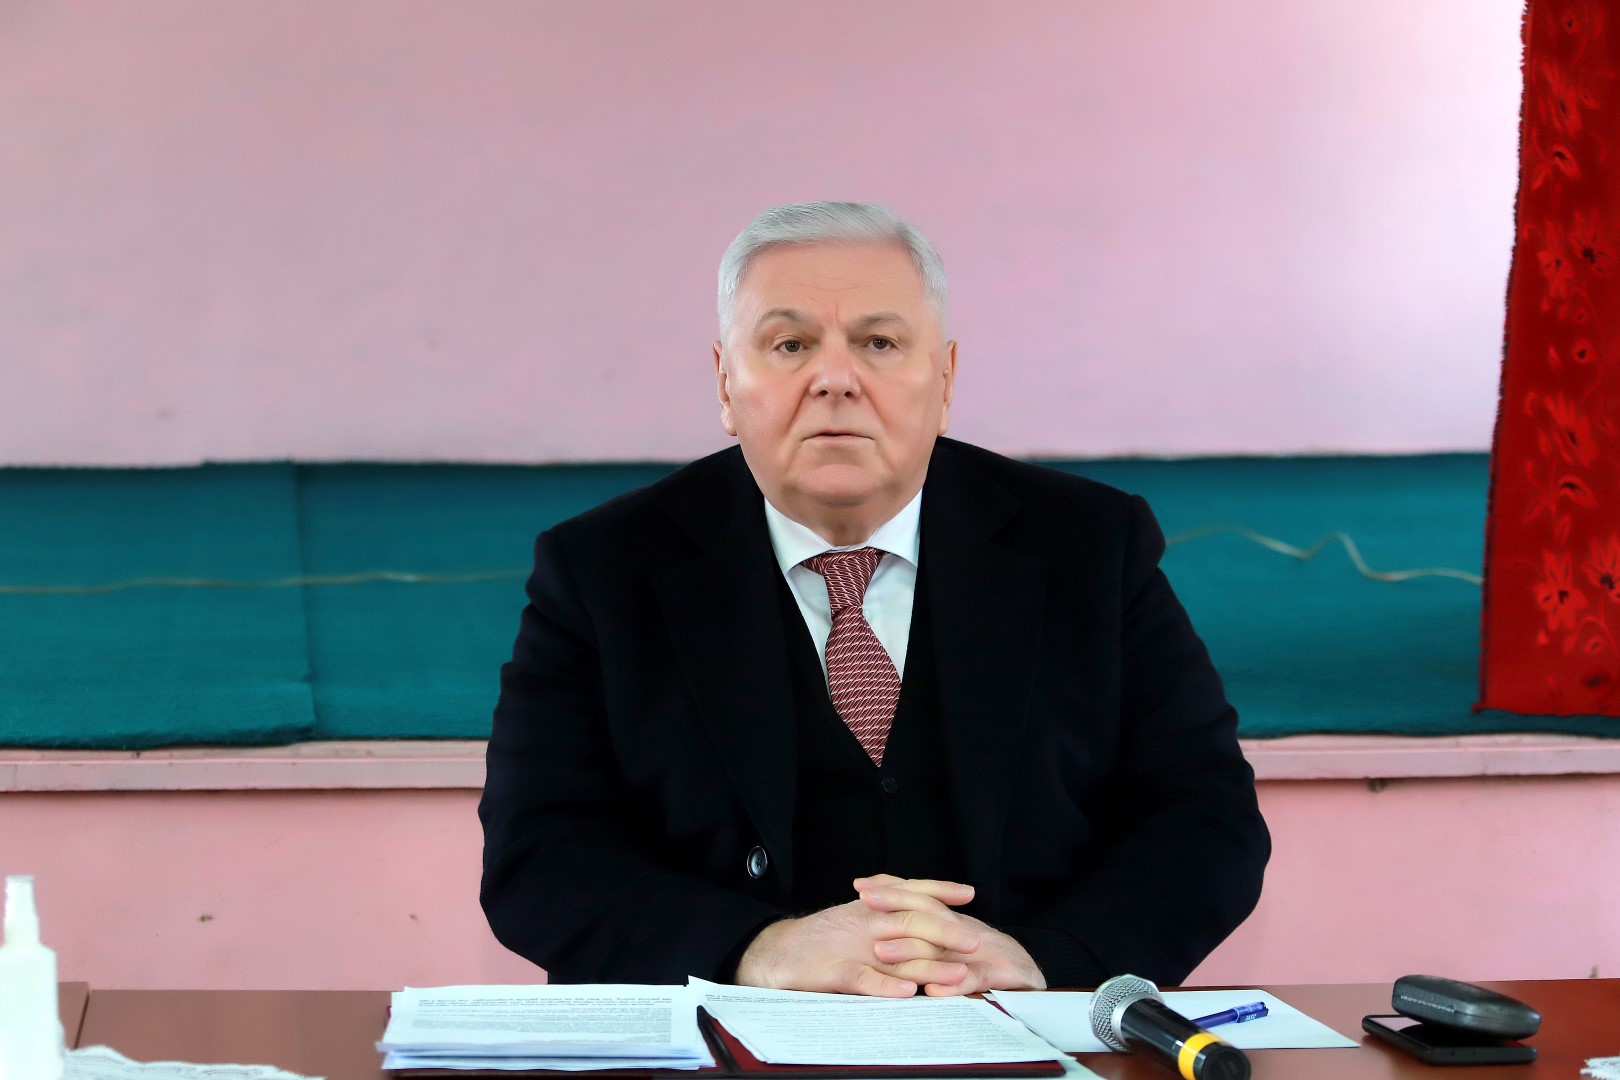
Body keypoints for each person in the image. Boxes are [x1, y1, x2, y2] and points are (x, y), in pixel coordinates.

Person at [479, 201, 1269, 997]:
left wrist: (1048, 962)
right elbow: (539, 850)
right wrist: (757, 953)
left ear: (946, 379)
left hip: (1022, 1035)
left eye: (878, 343)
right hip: (722, 1037)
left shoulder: (1089, 546)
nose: (835, 380)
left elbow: (1203, 816)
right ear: (724, 382)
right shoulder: (603, 569)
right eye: (790, 345)